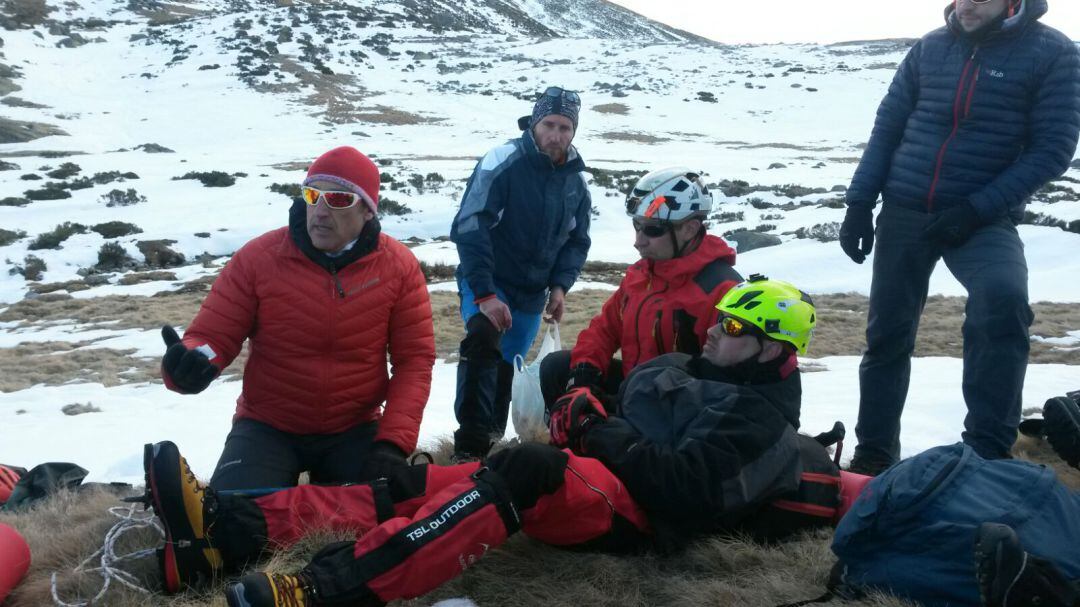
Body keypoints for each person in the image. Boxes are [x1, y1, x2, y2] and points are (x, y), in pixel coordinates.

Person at [140, 277, 854, 606]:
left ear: (772, 350)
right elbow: (609, 400)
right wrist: (583, 399)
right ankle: (225, 532)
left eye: (734, 329)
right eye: (719, 319)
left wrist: (598, 428)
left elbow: (687, 490)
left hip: (636, 514)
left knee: (524, 469)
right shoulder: (676, 367)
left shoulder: (760, 420)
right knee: (415, 484)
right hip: (601, 469)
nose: (713, 331)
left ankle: (326, 590)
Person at [839, 0, 1080, 474]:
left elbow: (1052, 148)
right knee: (887, 334)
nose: (966, 3)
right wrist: (859, 202)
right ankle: (874, 454)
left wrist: (976, 209)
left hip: (982, 216)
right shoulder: (931, 47)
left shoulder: (1053, 53)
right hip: (905, 208)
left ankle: (986, 453)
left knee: (1003, 302)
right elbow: (888, 127)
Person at [158, 146, 435, 495]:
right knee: (233, 523)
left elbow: (414, 362)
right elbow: (214, 336)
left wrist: (392, 443)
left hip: (354, 427)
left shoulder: (398, 267)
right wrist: (188, 364)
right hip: (267, 425)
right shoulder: (259, 258)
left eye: (336, 199)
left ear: (367, 209)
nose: (319, 211)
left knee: (367, 527)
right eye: (311, 195)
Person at [449, 86, 592, 461]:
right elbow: (470, 225)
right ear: (534, 123)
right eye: (549, 124)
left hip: (531, 294)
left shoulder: (576, 182)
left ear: (574, 130)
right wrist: (485, 294)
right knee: (482, 340)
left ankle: (491, 445)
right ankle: (469, 446)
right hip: (488, 279)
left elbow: (577, 241)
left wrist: (560, 287)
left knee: (506, 369)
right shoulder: (503, 161)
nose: (556, 135)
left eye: (565, 127)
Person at [538, 167, 741, 408]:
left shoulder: (722, 291)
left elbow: (724, 381)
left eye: (653, 229)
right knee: (557, 368)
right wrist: (583, 375)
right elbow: (604, 329)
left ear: (690, 229)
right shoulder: (642, 273)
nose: (638, 241)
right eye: (637, 225)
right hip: (635, 388)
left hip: (677, 405)